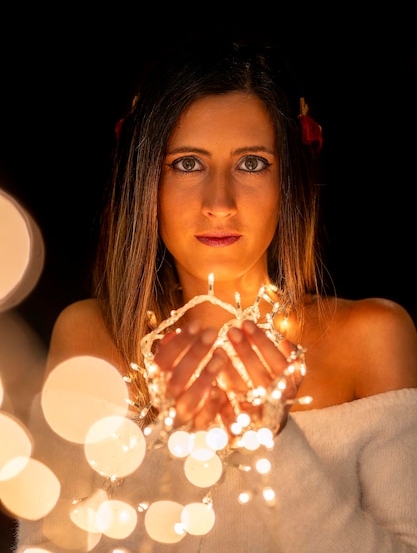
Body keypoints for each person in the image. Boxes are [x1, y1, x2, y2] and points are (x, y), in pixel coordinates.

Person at [15, 28, 417, 552]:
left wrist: (271, 438)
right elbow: (54, 546)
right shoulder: (95, 339)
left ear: (288, 180)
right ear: (146, 181)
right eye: (187, 164)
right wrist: (177, 453)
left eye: (252, 163)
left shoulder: (372, 339)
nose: (220, 201)